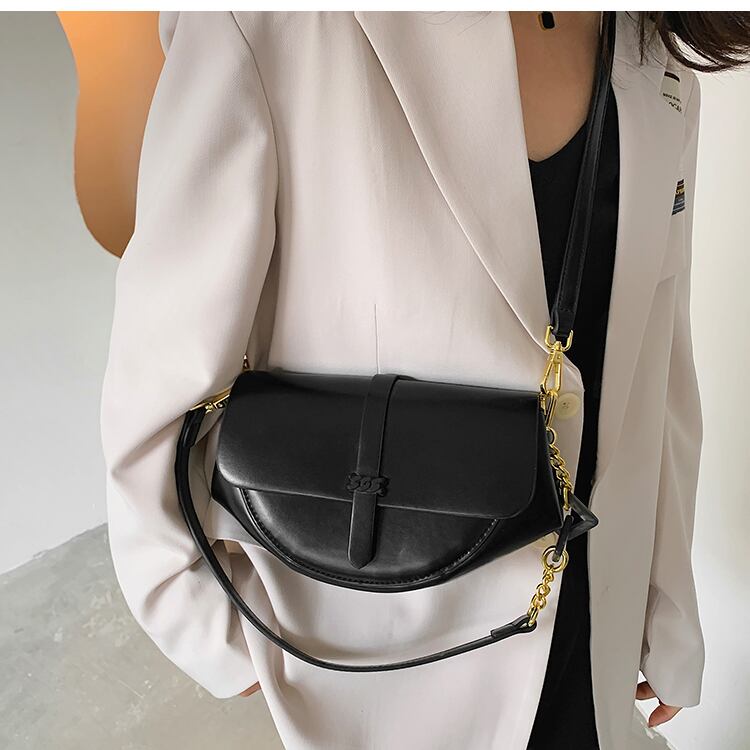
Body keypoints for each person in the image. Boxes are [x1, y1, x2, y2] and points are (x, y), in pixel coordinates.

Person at [99, 11, 750, 750]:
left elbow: (659, 357)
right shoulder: (271, 22)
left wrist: (665, 604)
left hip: (595, 610)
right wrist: (196, 615)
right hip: (382, 638)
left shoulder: (654, 51)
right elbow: (165, 355)